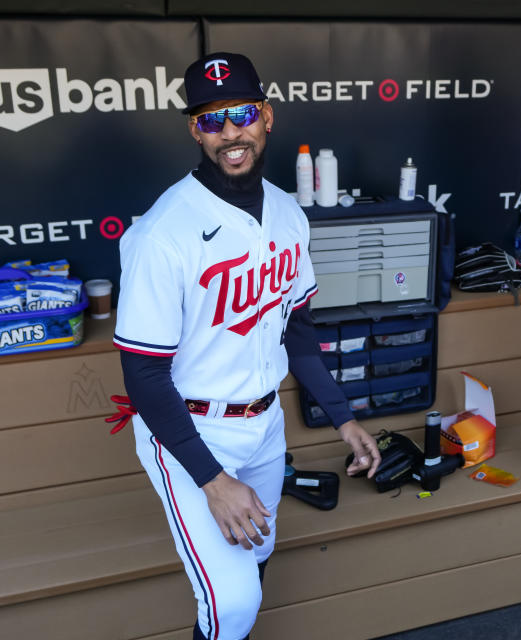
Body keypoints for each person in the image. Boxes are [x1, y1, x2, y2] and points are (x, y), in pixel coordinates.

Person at [113, 52, 382, 640]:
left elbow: (297, 329)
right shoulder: (162, 233)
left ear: (266, 116)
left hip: (264, 424)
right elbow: (144, 379)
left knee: (255, 562)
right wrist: (212, 480)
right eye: (212, 120)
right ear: (194, 130)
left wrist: (343, 418)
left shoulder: (288, 212)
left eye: (241, 113)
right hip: (188, 430)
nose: (230, 132)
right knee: (233, 602)